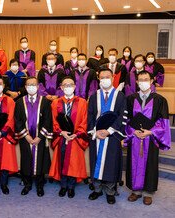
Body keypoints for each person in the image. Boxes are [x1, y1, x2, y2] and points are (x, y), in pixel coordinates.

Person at [125, 70, 171, 205]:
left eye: (146, 79)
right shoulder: (130, 99)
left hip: (151, 138)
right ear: (137, 82)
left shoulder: (160, 100)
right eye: (141, 80)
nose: (143, 82)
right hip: (135, 138)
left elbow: (163, 122)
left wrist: (150, 132)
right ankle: (136, 191)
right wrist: (133, 131)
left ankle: (148, 192)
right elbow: (126, 119)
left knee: (150, 163)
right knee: (134, 162)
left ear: (151, 81)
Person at [87, 67, 127, 205]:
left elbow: (123, 116)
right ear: (99, 79)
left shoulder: (120, 96)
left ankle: (110, 191)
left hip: (112, 135)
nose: (104, 79)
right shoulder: (94, 96)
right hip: (97, 135)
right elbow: (90, 115)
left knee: (111, 162)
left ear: (112, 77)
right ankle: (97, 189)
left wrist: (109, 130)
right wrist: (95, 131)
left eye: (107, 77)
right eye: (102, 77)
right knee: (96, 161)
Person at [49, 76, 88, 198]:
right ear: (61, 87)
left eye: (70, 85)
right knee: (62, 160)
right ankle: (63, 185)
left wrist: (77, 134)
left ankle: (71, 187)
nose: (68, 87)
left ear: (75, 87)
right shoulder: (56, 103)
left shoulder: (82, 102)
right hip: (61, 137)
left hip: (76, 138)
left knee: (73, 162)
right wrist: (61, 132)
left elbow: (84, 121)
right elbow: (53, 121)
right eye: (65, 85)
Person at [14, 77, 52, 197]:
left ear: (38, 86)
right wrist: (26, 136)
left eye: (33, 85)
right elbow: (17, 121)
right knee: (26, 160)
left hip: (39, 138)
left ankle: (40, 185)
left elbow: (48, 120)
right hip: (26, 138)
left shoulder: (45, 101)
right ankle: (27, 184)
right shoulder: (20, 102)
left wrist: (40, 137)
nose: (31, 87)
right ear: (25, 87)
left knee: (40, 160)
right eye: (28, 85)